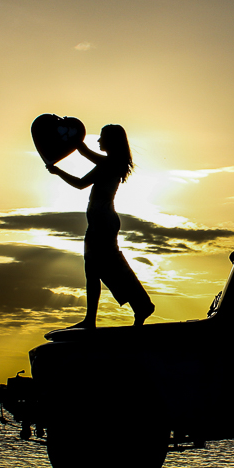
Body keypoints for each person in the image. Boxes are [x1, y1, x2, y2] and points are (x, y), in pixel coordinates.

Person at [45, 124, 155, 328]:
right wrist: (73, 145)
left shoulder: (111, 163)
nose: (98, 141)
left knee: (102, 268)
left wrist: (58, 168)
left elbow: (81, 174)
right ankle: (136, 306)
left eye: (102, 137)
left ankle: (133, 307)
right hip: (100, 221)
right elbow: (84, 167)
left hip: (102, 222)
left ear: (112, 140)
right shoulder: (110, 162)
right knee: (100, 268)